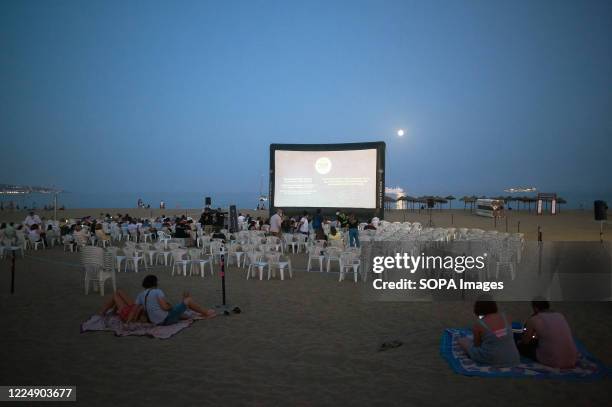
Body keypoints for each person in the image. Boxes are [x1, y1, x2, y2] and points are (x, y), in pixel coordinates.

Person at [457, 297, 520, 367]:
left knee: (462, 341)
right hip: (513, 358)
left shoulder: (479, 324)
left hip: (492, 359)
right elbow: (501, 334)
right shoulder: (505, 317)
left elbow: (477, 345)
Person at [517, 298, 577, 368]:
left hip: (553, 361)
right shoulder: (560, 315)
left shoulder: (534, 319)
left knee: (521, 346)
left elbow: (525, 341)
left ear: (535, 308)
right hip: (572, 359)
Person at [136, 275, 216, 325]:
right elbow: (164, 307)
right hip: (165, 320)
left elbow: (135, 309)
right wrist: (170, 306)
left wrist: (128, 322)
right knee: (188, 300)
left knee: (181, 310)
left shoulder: (141, 294)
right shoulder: (157, 291)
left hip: (155, 321)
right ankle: (206, 312)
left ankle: (186, 308)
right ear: (155, 283)